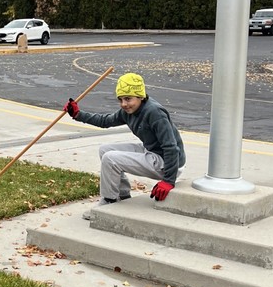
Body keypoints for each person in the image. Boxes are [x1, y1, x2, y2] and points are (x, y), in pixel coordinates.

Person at [64, 72, 185, 205]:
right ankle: (123, 195)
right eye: (120, 99)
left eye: (128, 99)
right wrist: (78, 114)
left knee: (110, 158)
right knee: (105, 150)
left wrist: (168, 180)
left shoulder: (154, 112)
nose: (123, 104)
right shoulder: (128, 111)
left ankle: (109, 202)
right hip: (152, 152)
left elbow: (171, 147)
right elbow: (106, 121)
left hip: (167, 163)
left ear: (140, 96)